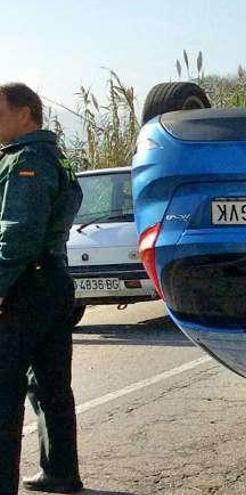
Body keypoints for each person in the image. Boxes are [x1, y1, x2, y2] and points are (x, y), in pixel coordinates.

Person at [0, 83, 84, 494]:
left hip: (25, 284)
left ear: (25, 113)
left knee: (5, 389)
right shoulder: (57, 157)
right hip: (51, 280)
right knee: (51, 383)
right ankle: (60, 470)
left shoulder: (28, 159)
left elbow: (18, 233)